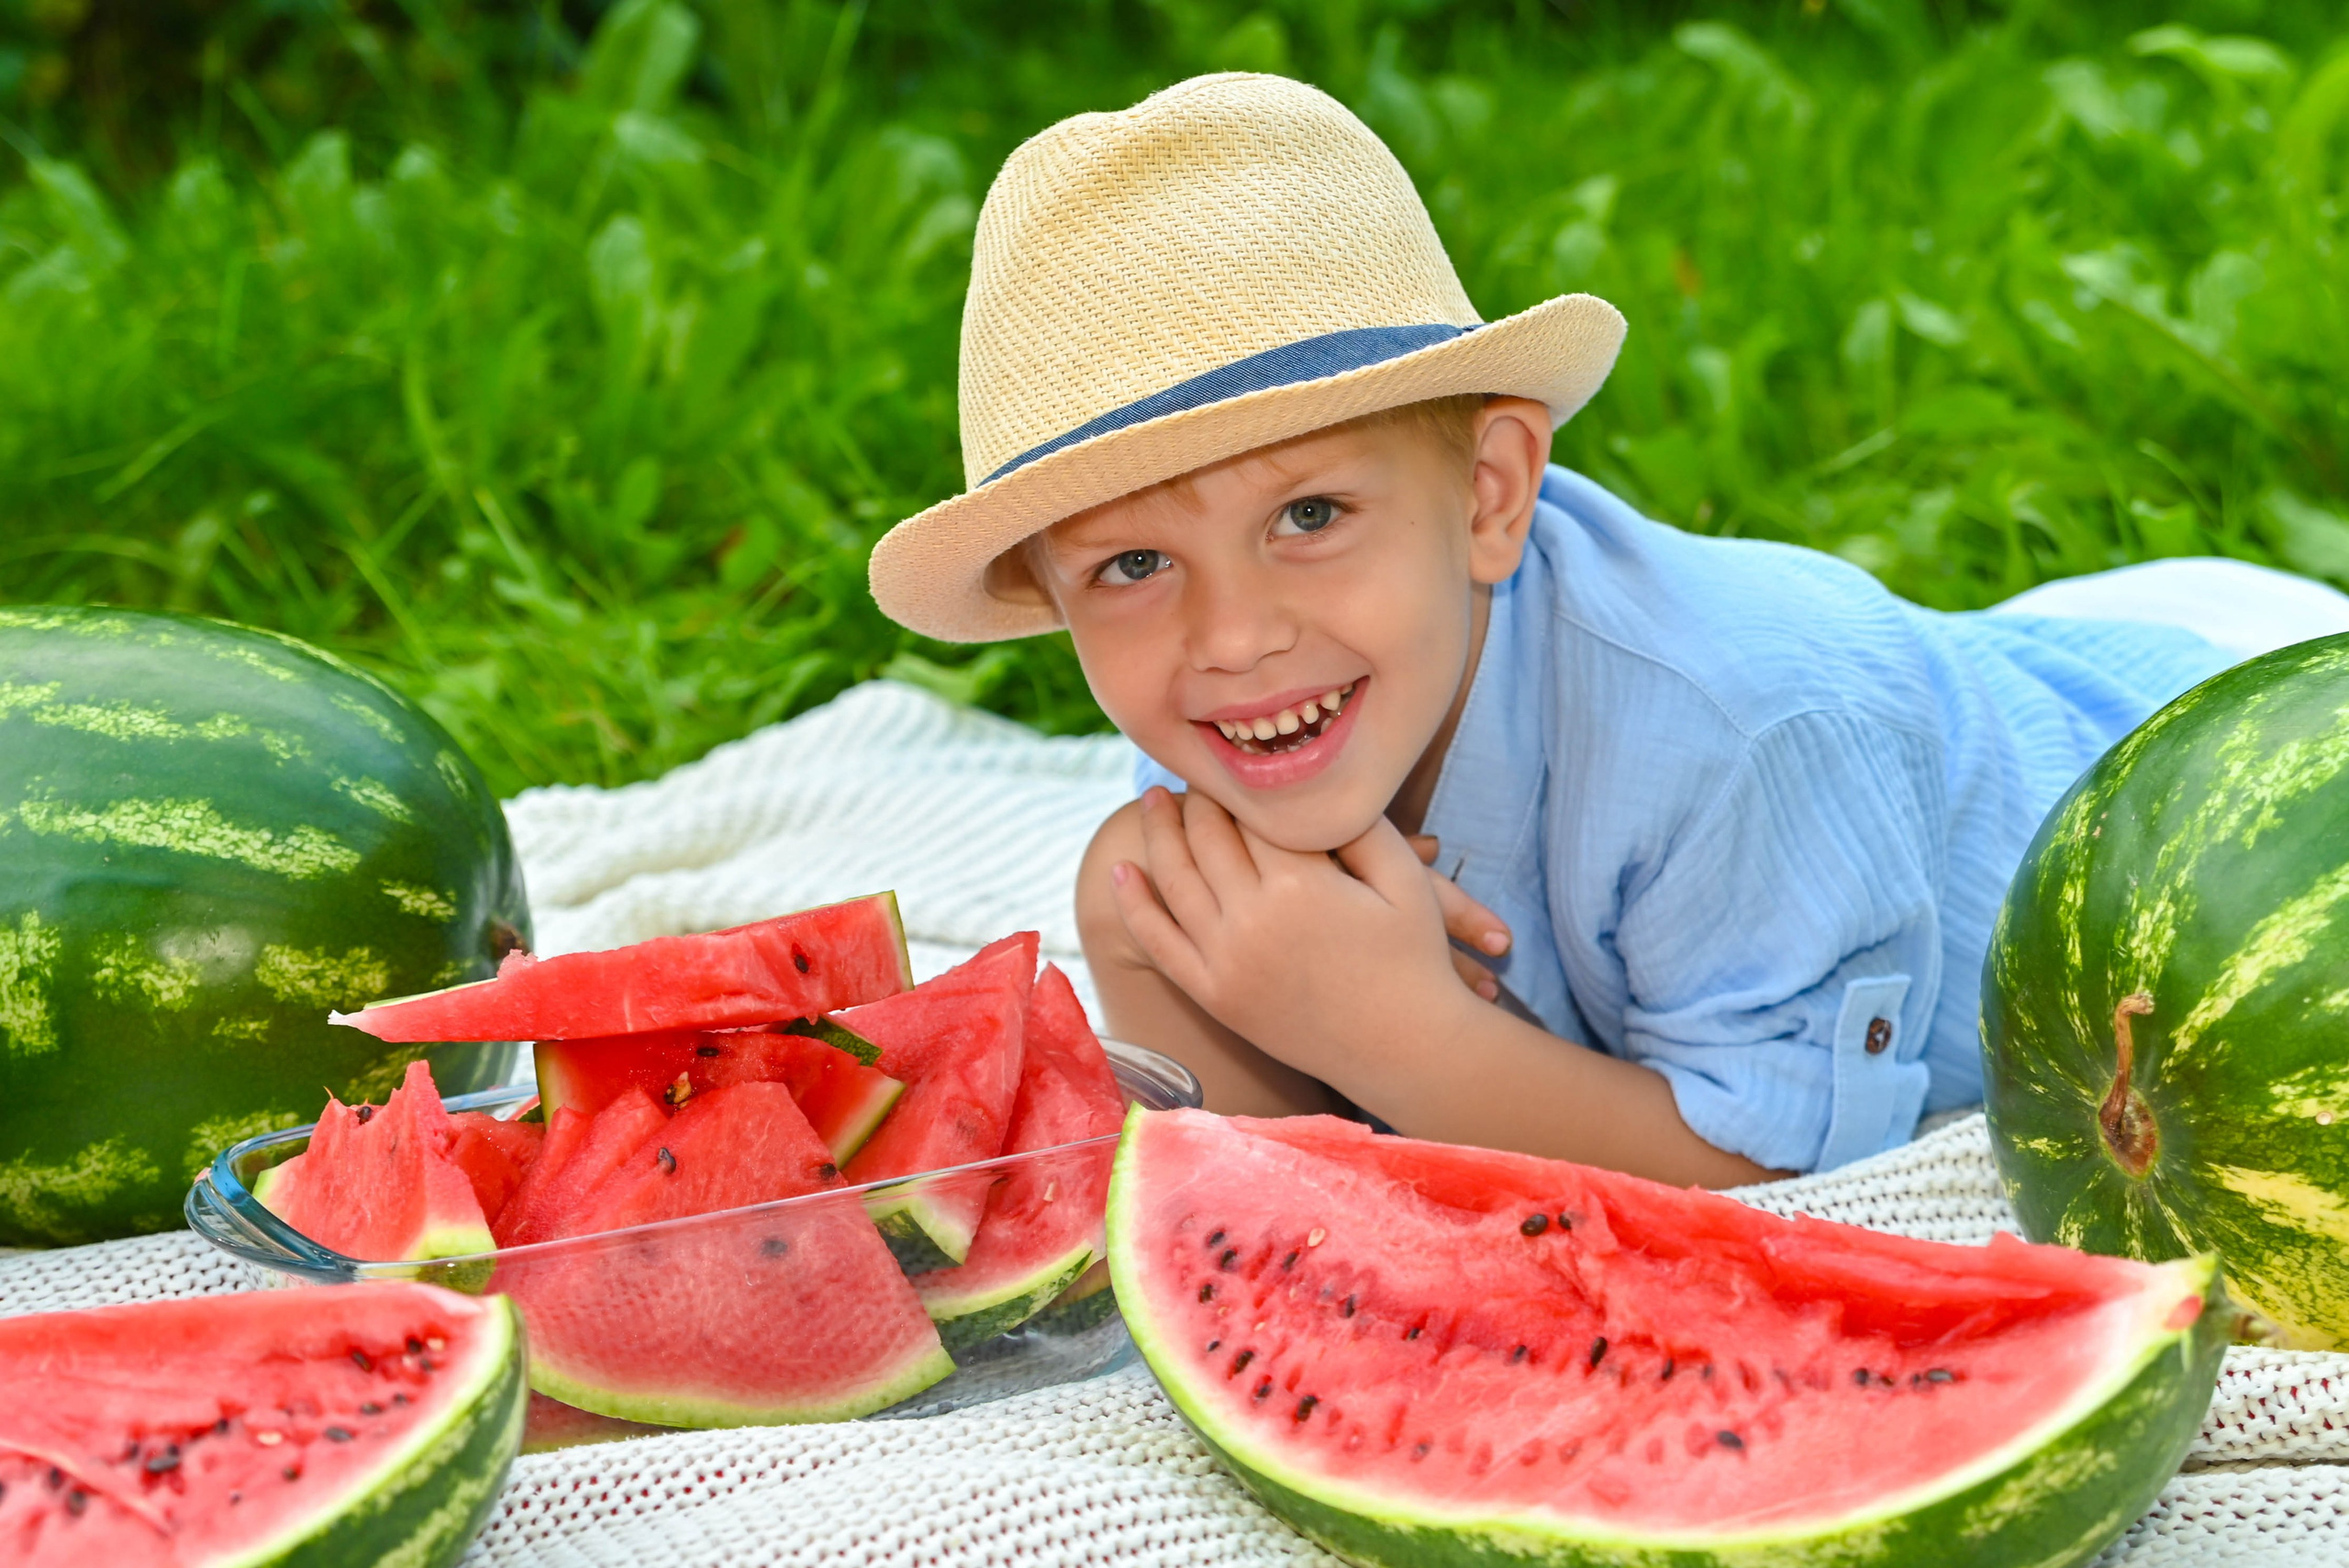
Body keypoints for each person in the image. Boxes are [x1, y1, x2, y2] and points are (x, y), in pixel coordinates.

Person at [865, 72, 2349, 1187]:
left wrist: (1406, 1037)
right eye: (1131, 562)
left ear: (1491, 495)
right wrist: (1172, 971)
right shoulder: (1263, 728)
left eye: (1309, 515)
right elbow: (1295, 1201)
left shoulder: (1739, 736)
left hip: (2233, 732)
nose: (1234, 638)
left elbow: (1785, 1181)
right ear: (1054, 601)